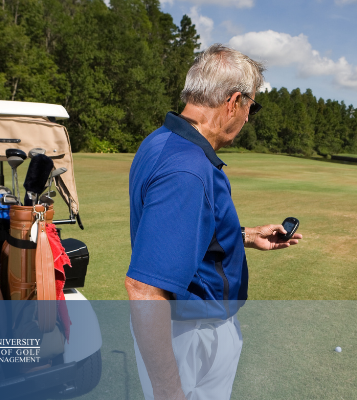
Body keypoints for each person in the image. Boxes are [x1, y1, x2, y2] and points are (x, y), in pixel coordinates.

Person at [125, 43, 302, 400]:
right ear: (233, 101)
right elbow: (143, 290)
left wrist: (246, 236)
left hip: (189, 330)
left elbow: (179, 233)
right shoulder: (187, 169)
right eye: (252, 105)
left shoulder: (162, 141)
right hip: (190, 336)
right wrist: (167, 391)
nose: (249, 116)